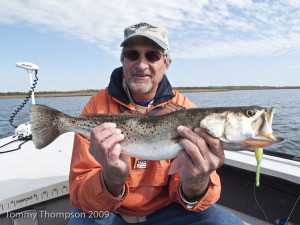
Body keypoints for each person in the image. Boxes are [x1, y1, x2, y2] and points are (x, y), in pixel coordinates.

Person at [68, 22, 244, 225]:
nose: (141, 65)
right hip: (110, 212)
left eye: (152, 56)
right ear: (122, 60)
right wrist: (111, 179)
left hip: (168, 213)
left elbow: (191, 199)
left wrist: (197, 182)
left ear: (166, 64)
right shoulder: (96, 106)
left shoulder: (187, 110)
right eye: (133, 55)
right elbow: (81, 196)